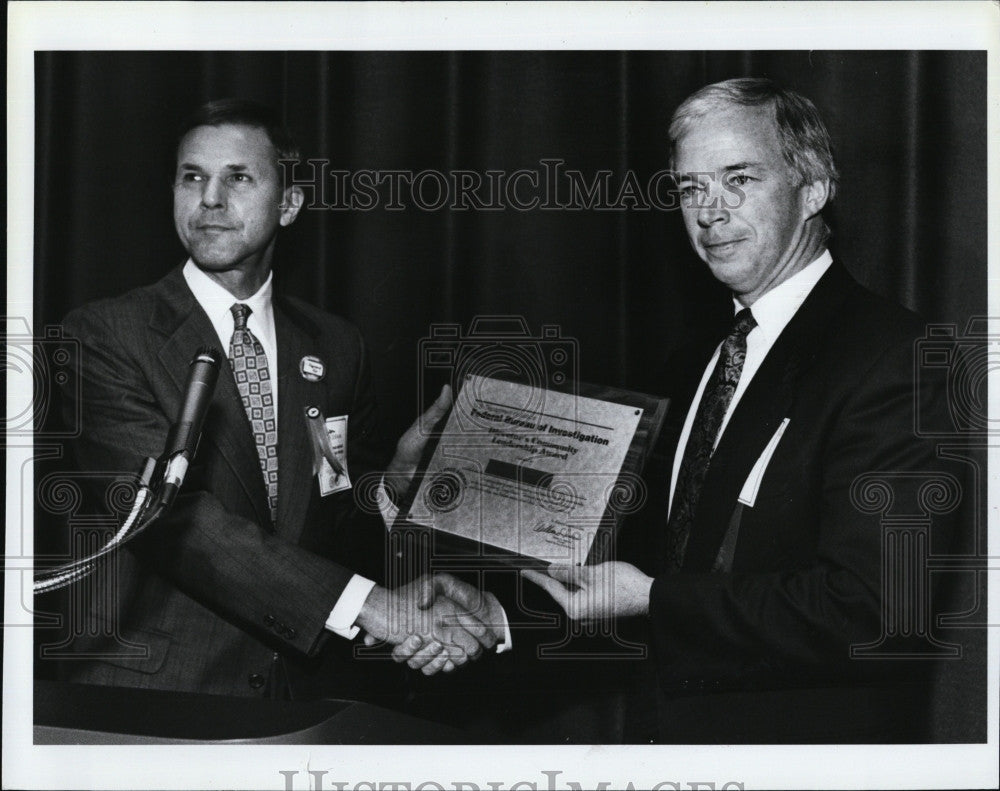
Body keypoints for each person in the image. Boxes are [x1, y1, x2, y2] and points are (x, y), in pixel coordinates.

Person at [522, 78, 961, 742]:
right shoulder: (695, 358)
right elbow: (638, 555)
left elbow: (880, 609)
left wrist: (650, 599)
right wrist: (493, 615)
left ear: (812, 189)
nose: (709, 211)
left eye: (739, 179)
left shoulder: (899, 358)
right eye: (691, 187)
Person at [56, 98, 500, 699]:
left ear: (289, 204)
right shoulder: (103, 336)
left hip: (301, 695)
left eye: (238, 177)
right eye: (193, 177)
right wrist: (371, 608)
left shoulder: (336, 346)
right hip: (153, 698)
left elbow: (330, 510)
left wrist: (391, 487)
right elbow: (171, 521)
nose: (210, 198)